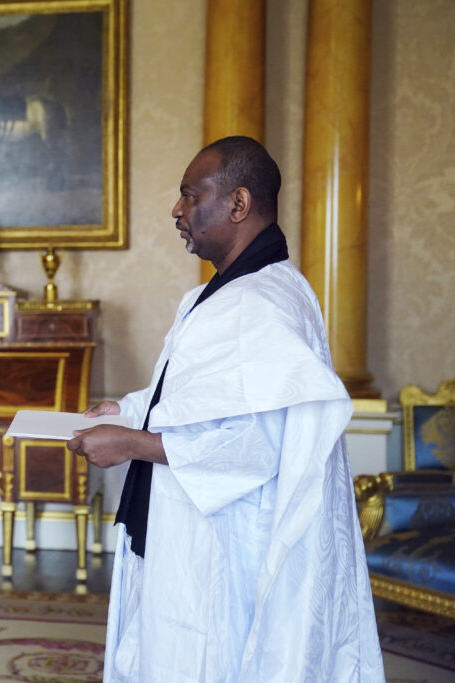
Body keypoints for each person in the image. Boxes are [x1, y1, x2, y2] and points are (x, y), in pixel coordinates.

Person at [67, 136, 384, 682]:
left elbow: (259, 444)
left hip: (227, 541)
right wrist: (125, 408)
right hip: (188, 522)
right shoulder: (218, 295)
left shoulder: (263, 302)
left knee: (209, 657)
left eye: (190, 195)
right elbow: (194, 396)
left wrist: (133, 444)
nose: (176, 210)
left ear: (238, 204)